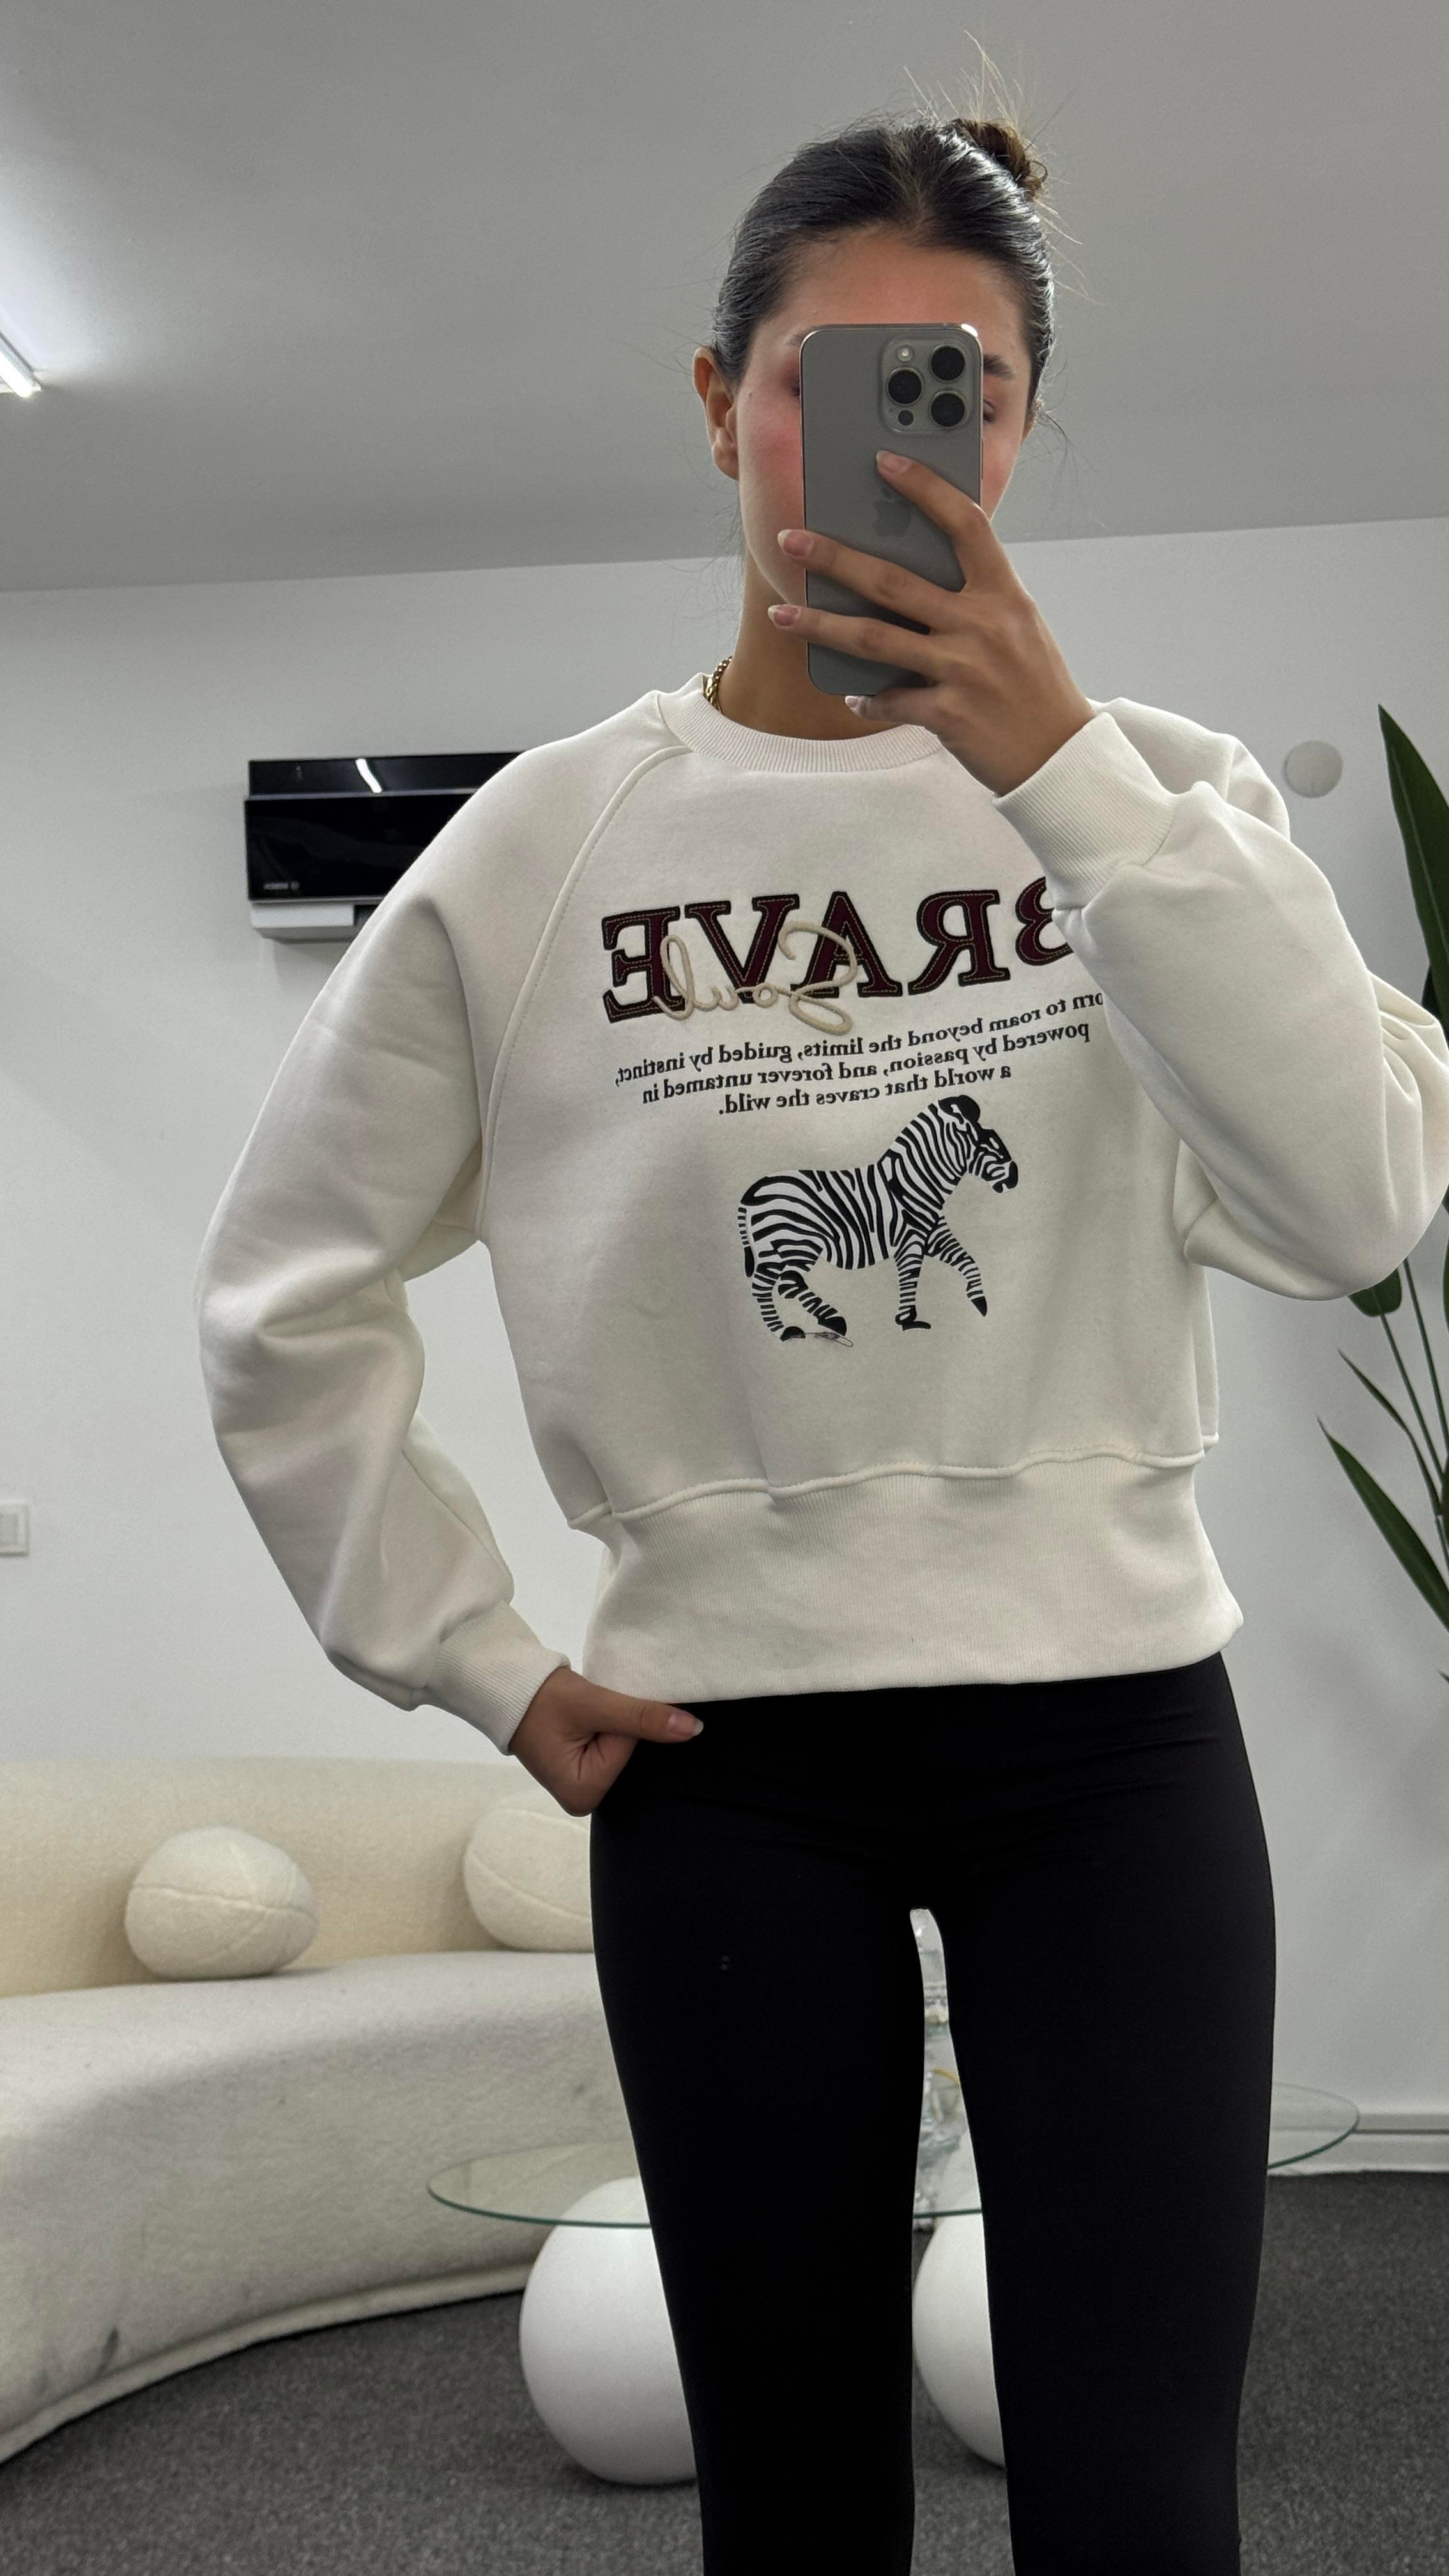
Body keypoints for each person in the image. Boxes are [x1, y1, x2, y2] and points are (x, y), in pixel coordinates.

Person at [194, 80, 1449, 2576]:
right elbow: (281, 1289)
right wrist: (463, 1650)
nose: (881, 442)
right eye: (822, 380)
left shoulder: (1160, 797)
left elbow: (1359, 1208)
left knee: (1138, 2510)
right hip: (721, 1763)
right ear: (718, 399)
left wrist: (1059, 774)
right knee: (785, 2507)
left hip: (1109, 1742)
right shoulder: (543, 849)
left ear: (1017, 428)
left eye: (955, 389)